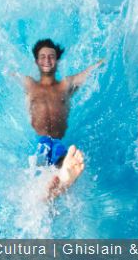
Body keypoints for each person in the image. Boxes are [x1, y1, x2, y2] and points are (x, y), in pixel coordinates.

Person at [21, 38, 103, 199]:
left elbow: (87, 73)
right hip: (41, 143)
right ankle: (58, 186)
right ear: (37, 61)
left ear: (57, 60)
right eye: (42, 56)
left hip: (58, 144)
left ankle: (62, 181)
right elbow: (10, 73)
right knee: (42, 179)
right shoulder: (30, 84)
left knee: (56, 173)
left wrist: (102, 61)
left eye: (51, 56)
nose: (47, 60)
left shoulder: (65, 85)